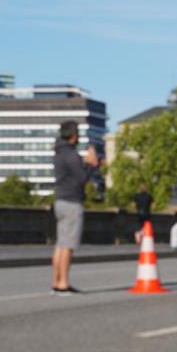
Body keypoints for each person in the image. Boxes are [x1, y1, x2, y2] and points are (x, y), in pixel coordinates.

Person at [51, 121, 100, 295]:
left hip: (60, 200)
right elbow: (81, 179)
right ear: (73, 135)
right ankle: (64, 283)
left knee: (60, 244)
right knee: (68, 245)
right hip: (72, 202)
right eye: (77, 133)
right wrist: (91, 164)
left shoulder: (59, 152)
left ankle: (56, 282)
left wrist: (83, 161)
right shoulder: (71, 154)